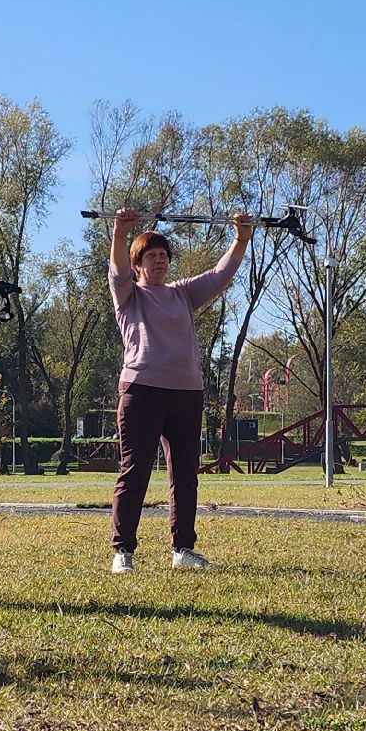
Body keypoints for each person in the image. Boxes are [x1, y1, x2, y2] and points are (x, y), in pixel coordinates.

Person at [105, 207, 251, 574]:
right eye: (151, 256)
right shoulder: (128, 295)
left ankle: (183, 549)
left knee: (185, 474)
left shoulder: (182, 294)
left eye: (163, 256)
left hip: (187, 394)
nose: (159, 261)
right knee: (134, 471)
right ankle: (123, 552)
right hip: (141, 391)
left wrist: (240, 239)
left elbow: (220, 274)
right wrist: (120, 232)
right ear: (138, 264)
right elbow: (118, 268)